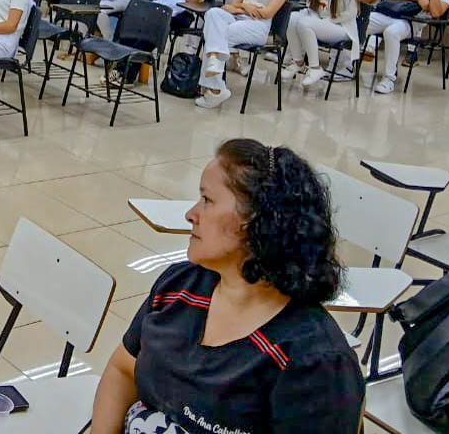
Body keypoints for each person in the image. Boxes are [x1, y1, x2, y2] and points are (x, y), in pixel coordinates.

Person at [91, 139, 364, 434]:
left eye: (207, 200)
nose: (191, 214)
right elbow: (122, 370)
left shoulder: (312, 361)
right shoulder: (180, 285)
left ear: (258, 220)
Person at [197, 0, 289, 109]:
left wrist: (241, 8)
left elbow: (268, 13)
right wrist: (246, 6)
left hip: (258, 27)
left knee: (216, 34)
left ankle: (214, 89)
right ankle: (215, 80)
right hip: (238, 17)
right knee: (213, 13)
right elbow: (229, 6)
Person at [366, 0, 449, 95]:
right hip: (389, 15)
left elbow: (436, 12)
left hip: (410, 24)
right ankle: (344, 66)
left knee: (391, 33)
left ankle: (388, 79)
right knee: (360, 22)